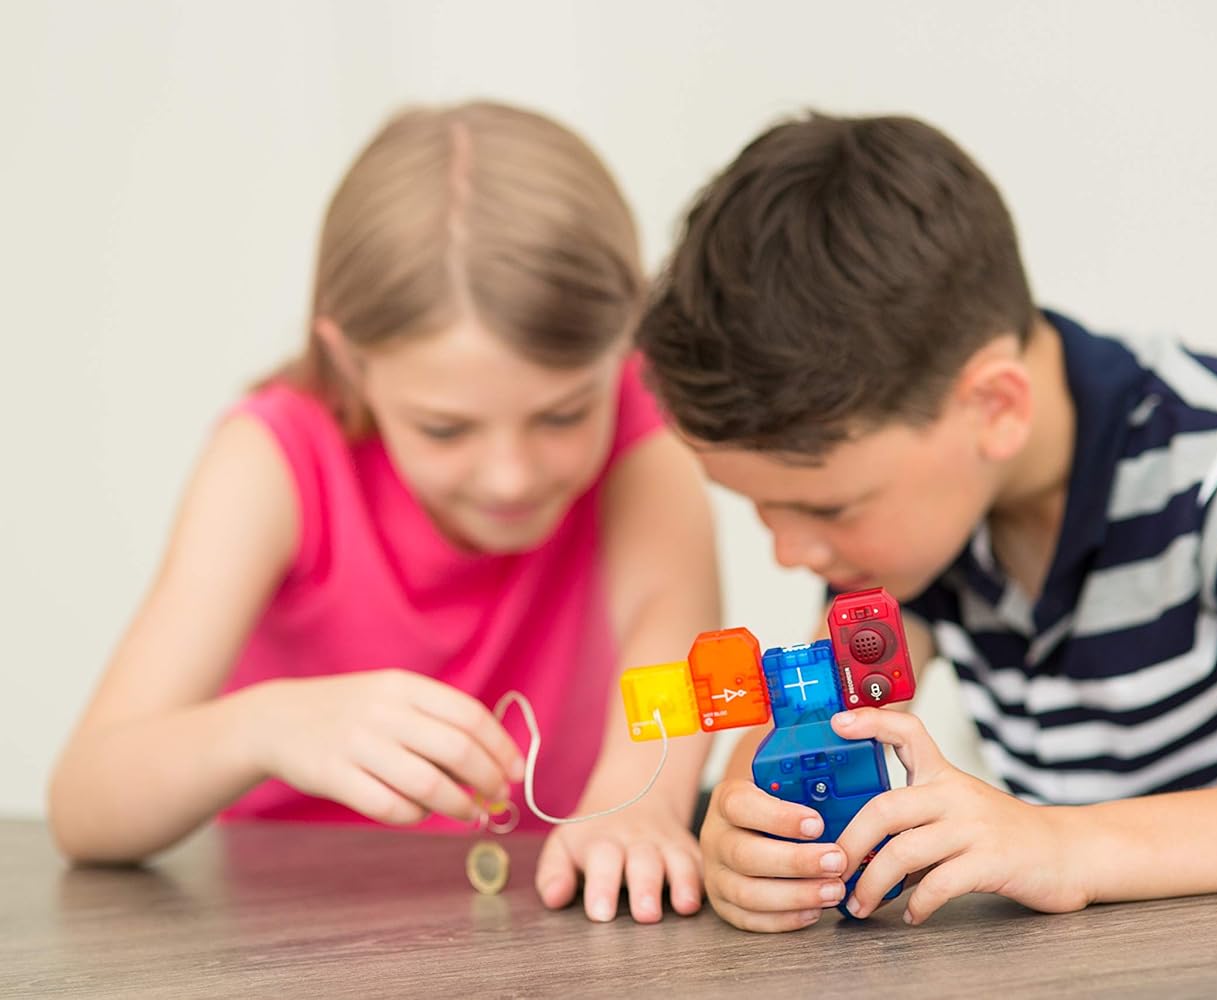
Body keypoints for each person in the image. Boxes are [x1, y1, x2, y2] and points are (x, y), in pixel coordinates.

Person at [634, 112, 1217, 932]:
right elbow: (797, 739)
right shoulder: (915, 532)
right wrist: (746, 835)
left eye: (825, 506)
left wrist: (1061, 840)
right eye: (761, 508)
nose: (790, 552)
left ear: (995, 408)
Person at [49, 101, 717, 925]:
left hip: (539, 920)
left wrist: (636, 800)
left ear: (624, 346)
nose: (510, 477)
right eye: (445, 428)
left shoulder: (636, 429)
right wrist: (264, 724)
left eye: (561, 415)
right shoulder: (275, 459)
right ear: (350, 362)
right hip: (285, 929)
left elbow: (673, 640)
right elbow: (86, 802)